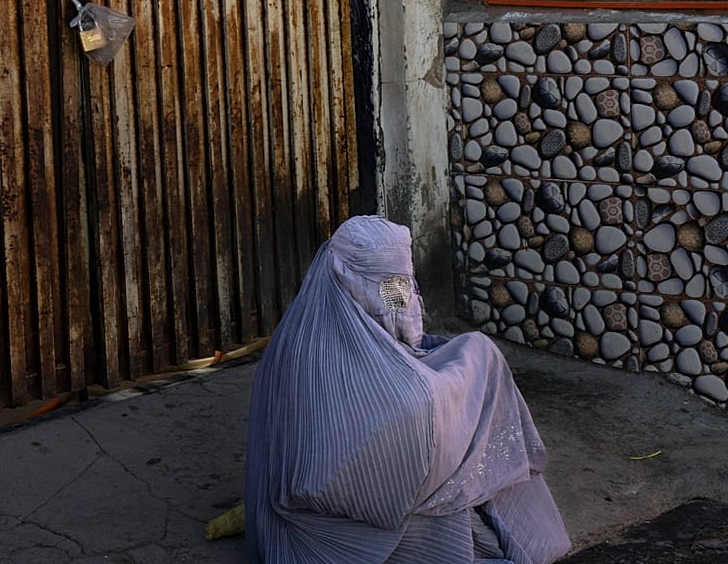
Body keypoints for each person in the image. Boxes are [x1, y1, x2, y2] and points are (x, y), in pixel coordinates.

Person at [244, 215, 570, 564]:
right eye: (391, 286)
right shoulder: (309, 350)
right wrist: (453, 389)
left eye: (406, 284)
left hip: (356, 480)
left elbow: (406, 338)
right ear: (345, 275)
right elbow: (357, 454)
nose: (402, 296)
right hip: (327, 523)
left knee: (474, 357)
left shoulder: (334, 313)